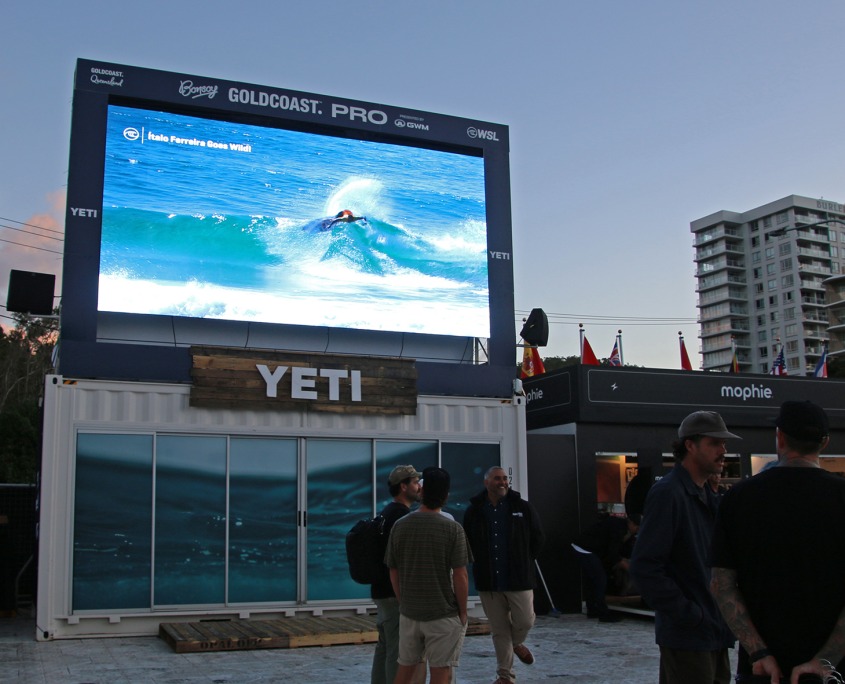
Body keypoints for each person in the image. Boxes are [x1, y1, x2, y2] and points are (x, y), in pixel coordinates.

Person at [710, 400, 845, 683]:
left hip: (762, 672)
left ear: (780, 438)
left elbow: (721, 585)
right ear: (825, 442)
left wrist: (759, 653)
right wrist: (825, 660)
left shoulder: (739, 498)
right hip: (832, 672)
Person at [629, 411, 739, 684]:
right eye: (715, 443)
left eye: (724, 443)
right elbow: (645, 567)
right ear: (690, 445)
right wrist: (690, 614)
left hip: (714, 633)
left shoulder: (705, 493)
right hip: (689, 637)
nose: (723, 451)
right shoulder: (669, 493)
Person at [385, 467, 472, 684]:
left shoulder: (400, 526)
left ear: (421, 491)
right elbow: (460, 575)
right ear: (447, 495)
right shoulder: (453, 529)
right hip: (443, 613)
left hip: (410, 613)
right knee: (441, 673)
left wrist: (403, 601)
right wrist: (462, 612)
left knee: (405, 671)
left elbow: (393, 570)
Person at [463, 466, 546, 684]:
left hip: (519, 579)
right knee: (499, 630)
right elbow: (467, 541)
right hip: (489, 580)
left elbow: (538, 537)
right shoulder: (475, 511)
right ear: (486, 483)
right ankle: (505, 676)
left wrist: (524, 560)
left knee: (526, 620)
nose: (502, 482)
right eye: (497, 479)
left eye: (504, 478)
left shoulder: (522, 507)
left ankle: (516, 643)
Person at [370, 465, 424, 684]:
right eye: (415, 482)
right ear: (403, 486)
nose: (419, 487)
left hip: (381, 591)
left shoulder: (385, 513)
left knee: (384, 646)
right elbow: (404, 561)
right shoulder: (401, 517)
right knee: (398, 650)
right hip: (395, 594)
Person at [571, 513, 639, 622]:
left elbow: (621, 551)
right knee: (600, 579)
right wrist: (627, 566)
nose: (637, 530)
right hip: (585, 548)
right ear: (631, 523)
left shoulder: (624, 530)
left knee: (592, 580)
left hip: (587, 548)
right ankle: (602, 612)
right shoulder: (618, 528)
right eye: (637, 527)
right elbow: (613, 553)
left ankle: (592, 609)